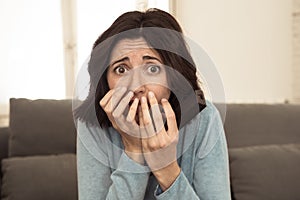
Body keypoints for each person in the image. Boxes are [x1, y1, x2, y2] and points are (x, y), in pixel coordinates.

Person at [74, 8, 231, 200]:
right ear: (105, 81)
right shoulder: (92, 125)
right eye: (121, 69)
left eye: (153, 68)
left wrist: (167, 169)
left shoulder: (205, 118)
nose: (136, 85)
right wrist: (134, 151)